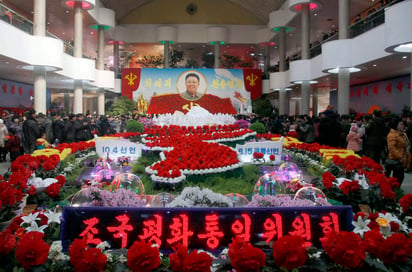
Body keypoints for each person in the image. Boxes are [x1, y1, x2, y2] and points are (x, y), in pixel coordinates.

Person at [385, 117, 411, 185]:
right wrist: (400, 157)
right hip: (396, 160)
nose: (402, 126)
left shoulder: (402, 134)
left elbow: (406, 145)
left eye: (403, 124)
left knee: (400, 177)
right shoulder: (392, 134)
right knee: (396, 179)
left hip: (402, 160)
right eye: (401, 124)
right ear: (395, 125)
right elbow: (392, 148)